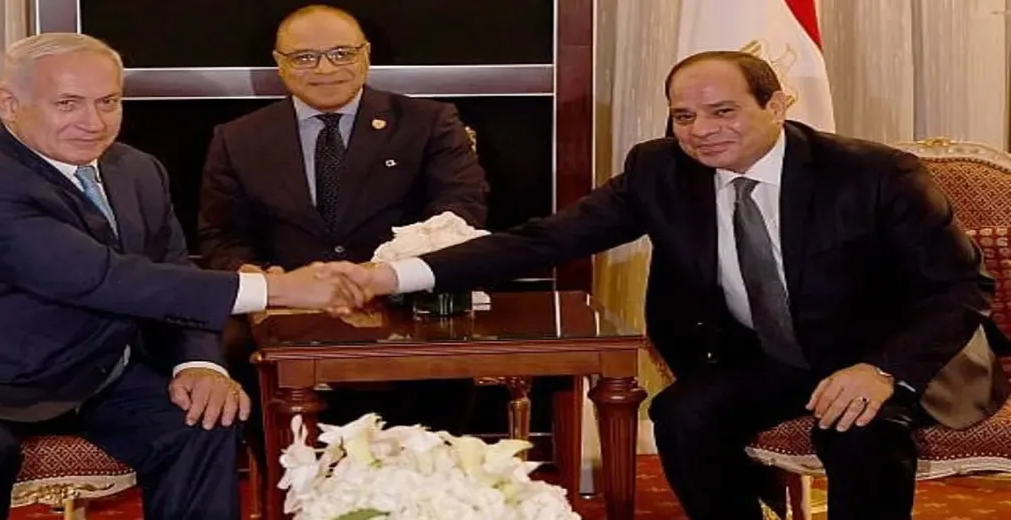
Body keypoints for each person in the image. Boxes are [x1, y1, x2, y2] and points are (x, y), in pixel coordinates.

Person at [350, 51, 1010, 519]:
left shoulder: (874, 175)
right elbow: (546, 239)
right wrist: (394, 274)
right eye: (684, 116)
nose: (701, 131)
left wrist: (882, 370)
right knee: (682, 413)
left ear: (777, 104)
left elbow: (960, 287)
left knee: (858, 432)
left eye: (723, 111)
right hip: (771, 356)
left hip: (889, 351)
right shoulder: (660, 170)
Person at [0, 33, 370, 520]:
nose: (93, 123)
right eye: (68, 104)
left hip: (90, 365)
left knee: (206, 418)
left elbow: (171, 272)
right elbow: (102, 278)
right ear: (8, 104)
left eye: (108, 102)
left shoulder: (136, 169)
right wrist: (281, 288)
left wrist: (198, 362)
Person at [197, 5, 488, 429]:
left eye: (342, 53)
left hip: (405, 308)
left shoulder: (429, 123)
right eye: (305, 57)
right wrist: (261, 278)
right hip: (287, 312)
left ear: (366, 55)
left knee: (439, 370)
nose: (325, 69)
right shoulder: (238, 138)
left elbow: (458, 214)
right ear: (279, 63)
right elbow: (220, 236)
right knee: (234, 352)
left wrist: (387, 276)